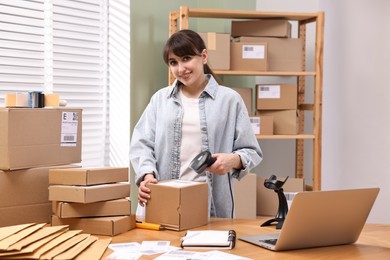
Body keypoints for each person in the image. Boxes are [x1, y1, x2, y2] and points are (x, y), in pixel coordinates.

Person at [130, 29, 262, 218]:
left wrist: (233, 160)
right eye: (173, 62)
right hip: (163, 201)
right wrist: (147, 175)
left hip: (211, 207)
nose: (180, 69)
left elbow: (251, 151)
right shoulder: (160, 99)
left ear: (204, 56)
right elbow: (141, 144)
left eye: (186, 58)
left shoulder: (230, 100)